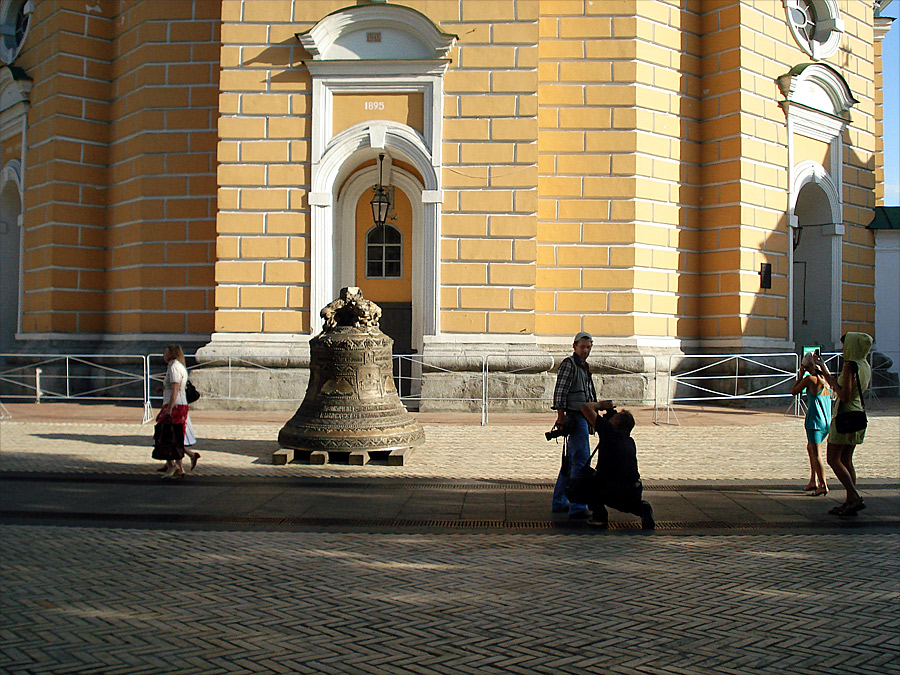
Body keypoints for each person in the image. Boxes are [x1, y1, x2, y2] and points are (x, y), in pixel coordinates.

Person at [812, 332, 873, 516]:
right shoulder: (864, 365)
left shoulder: (849, 366)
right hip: (859, 415)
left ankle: (853, 496)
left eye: (846, 344)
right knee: (847, 460)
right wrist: (822, 367)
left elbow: (843, 395)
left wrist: (833, 384)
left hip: (845, 415)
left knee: (833, 458)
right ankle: (849, 500)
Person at [580, 400, 654, 530]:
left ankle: (599, 516)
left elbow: (586, 408)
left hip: (611, 490)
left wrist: (601, 405)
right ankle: (642, 508)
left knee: (586, 478)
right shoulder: (630, 440)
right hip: (633, 491)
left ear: (617, 422)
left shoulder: (609, 432)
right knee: (630, 504)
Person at [551, 331, 598, 519]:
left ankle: (559, 502)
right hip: (575, 416)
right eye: (582, 347)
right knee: (581, 461)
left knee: (569, 462)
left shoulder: (584, 367)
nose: (585, 351)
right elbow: (560, 392)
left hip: (583, 416)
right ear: (574, 346)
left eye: (588, 347)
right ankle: (577, 506)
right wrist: (561, 416)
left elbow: (588, 393)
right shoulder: (569, 365)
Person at [154, 344, 199, 478]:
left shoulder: (174, 367)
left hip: (175, 406)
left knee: (164, 435)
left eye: (166, 352)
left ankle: (174, 464)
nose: (164, 355)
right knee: (174, 435)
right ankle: (178, 466)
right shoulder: (178, 366)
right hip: (178, 404)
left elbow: (175, 389)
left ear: (172, 354)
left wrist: (168, 409)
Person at [790, 351, 830, 496]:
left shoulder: (810, 379)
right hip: (826, 419)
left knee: (816, 452)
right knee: (811, 448)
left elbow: (794, 391)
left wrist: (800, 375)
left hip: (815, 420)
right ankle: (813, 480)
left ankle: (823, 484)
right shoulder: (825, 380)